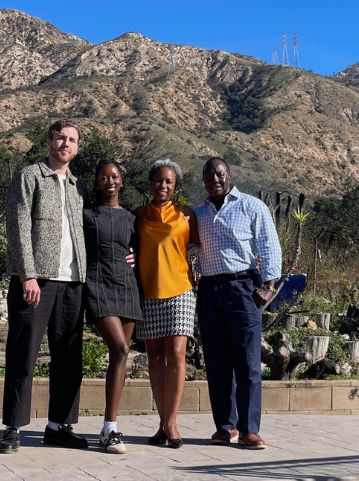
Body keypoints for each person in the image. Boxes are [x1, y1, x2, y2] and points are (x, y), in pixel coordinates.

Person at [0, 119, 89, 454]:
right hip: (36, 281)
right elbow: (18, 226)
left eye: (72, 140)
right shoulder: (30, 177)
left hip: (73, 282)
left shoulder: (79, 187)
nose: (66, 144)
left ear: (77, 148)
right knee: (23, 354)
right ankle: (12, 428)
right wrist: (28, 274)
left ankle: (59, 426)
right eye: (60, 138)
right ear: (49, 141)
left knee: (69, 358)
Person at [193, 157, 282, 450]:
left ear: (229, 176)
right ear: (203, 180)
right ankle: (225, 426)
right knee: (217, 362)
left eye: (219, 174)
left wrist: (268, 286)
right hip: (209, 289)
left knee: (247, 362)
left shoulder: (251, 206)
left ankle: (249, 429)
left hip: (244, 289)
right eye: (208, 176)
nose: (214, 179)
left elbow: (269, 245)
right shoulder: (198, 214)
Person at [136, 159, 200, 449]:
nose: (163, 185)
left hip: (181, 291)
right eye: (159, 180)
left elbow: (201, 244)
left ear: (176, 187)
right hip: (149, 291)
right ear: (150, 183)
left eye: (169, 182)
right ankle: (162, 423)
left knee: (176, 354)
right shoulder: (138, 215)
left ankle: (172, 424)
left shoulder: (186, 215)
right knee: (154, 357)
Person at [82, 160, 143, 455]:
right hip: (98, 286)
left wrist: (138, 258)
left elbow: (144, 249)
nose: (109, 180)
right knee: (120, 349)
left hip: (127, 288)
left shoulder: (132, 218)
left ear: (121, 182)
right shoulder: (87, 215)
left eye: (114, 176)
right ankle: (109, 429)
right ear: (97, 182)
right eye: (104, 176)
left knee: (119, 357)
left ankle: (111, 426)